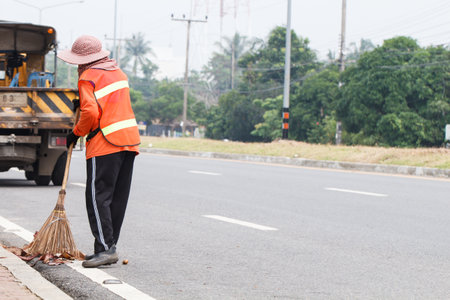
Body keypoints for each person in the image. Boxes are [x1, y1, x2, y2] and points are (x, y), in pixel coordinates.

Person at [57, 35, 140, 268]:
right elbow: (109, 105)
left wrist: (76, 132)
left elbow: (92, 114)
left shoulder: (88, 77)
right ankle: (106, 247)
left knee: (97, 197)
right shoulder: (119, 74)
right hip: (129, 142)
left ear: (83, 61)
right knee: (116, 198)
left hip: (105, 143)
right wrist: (82, 106)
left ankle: (105, 248)